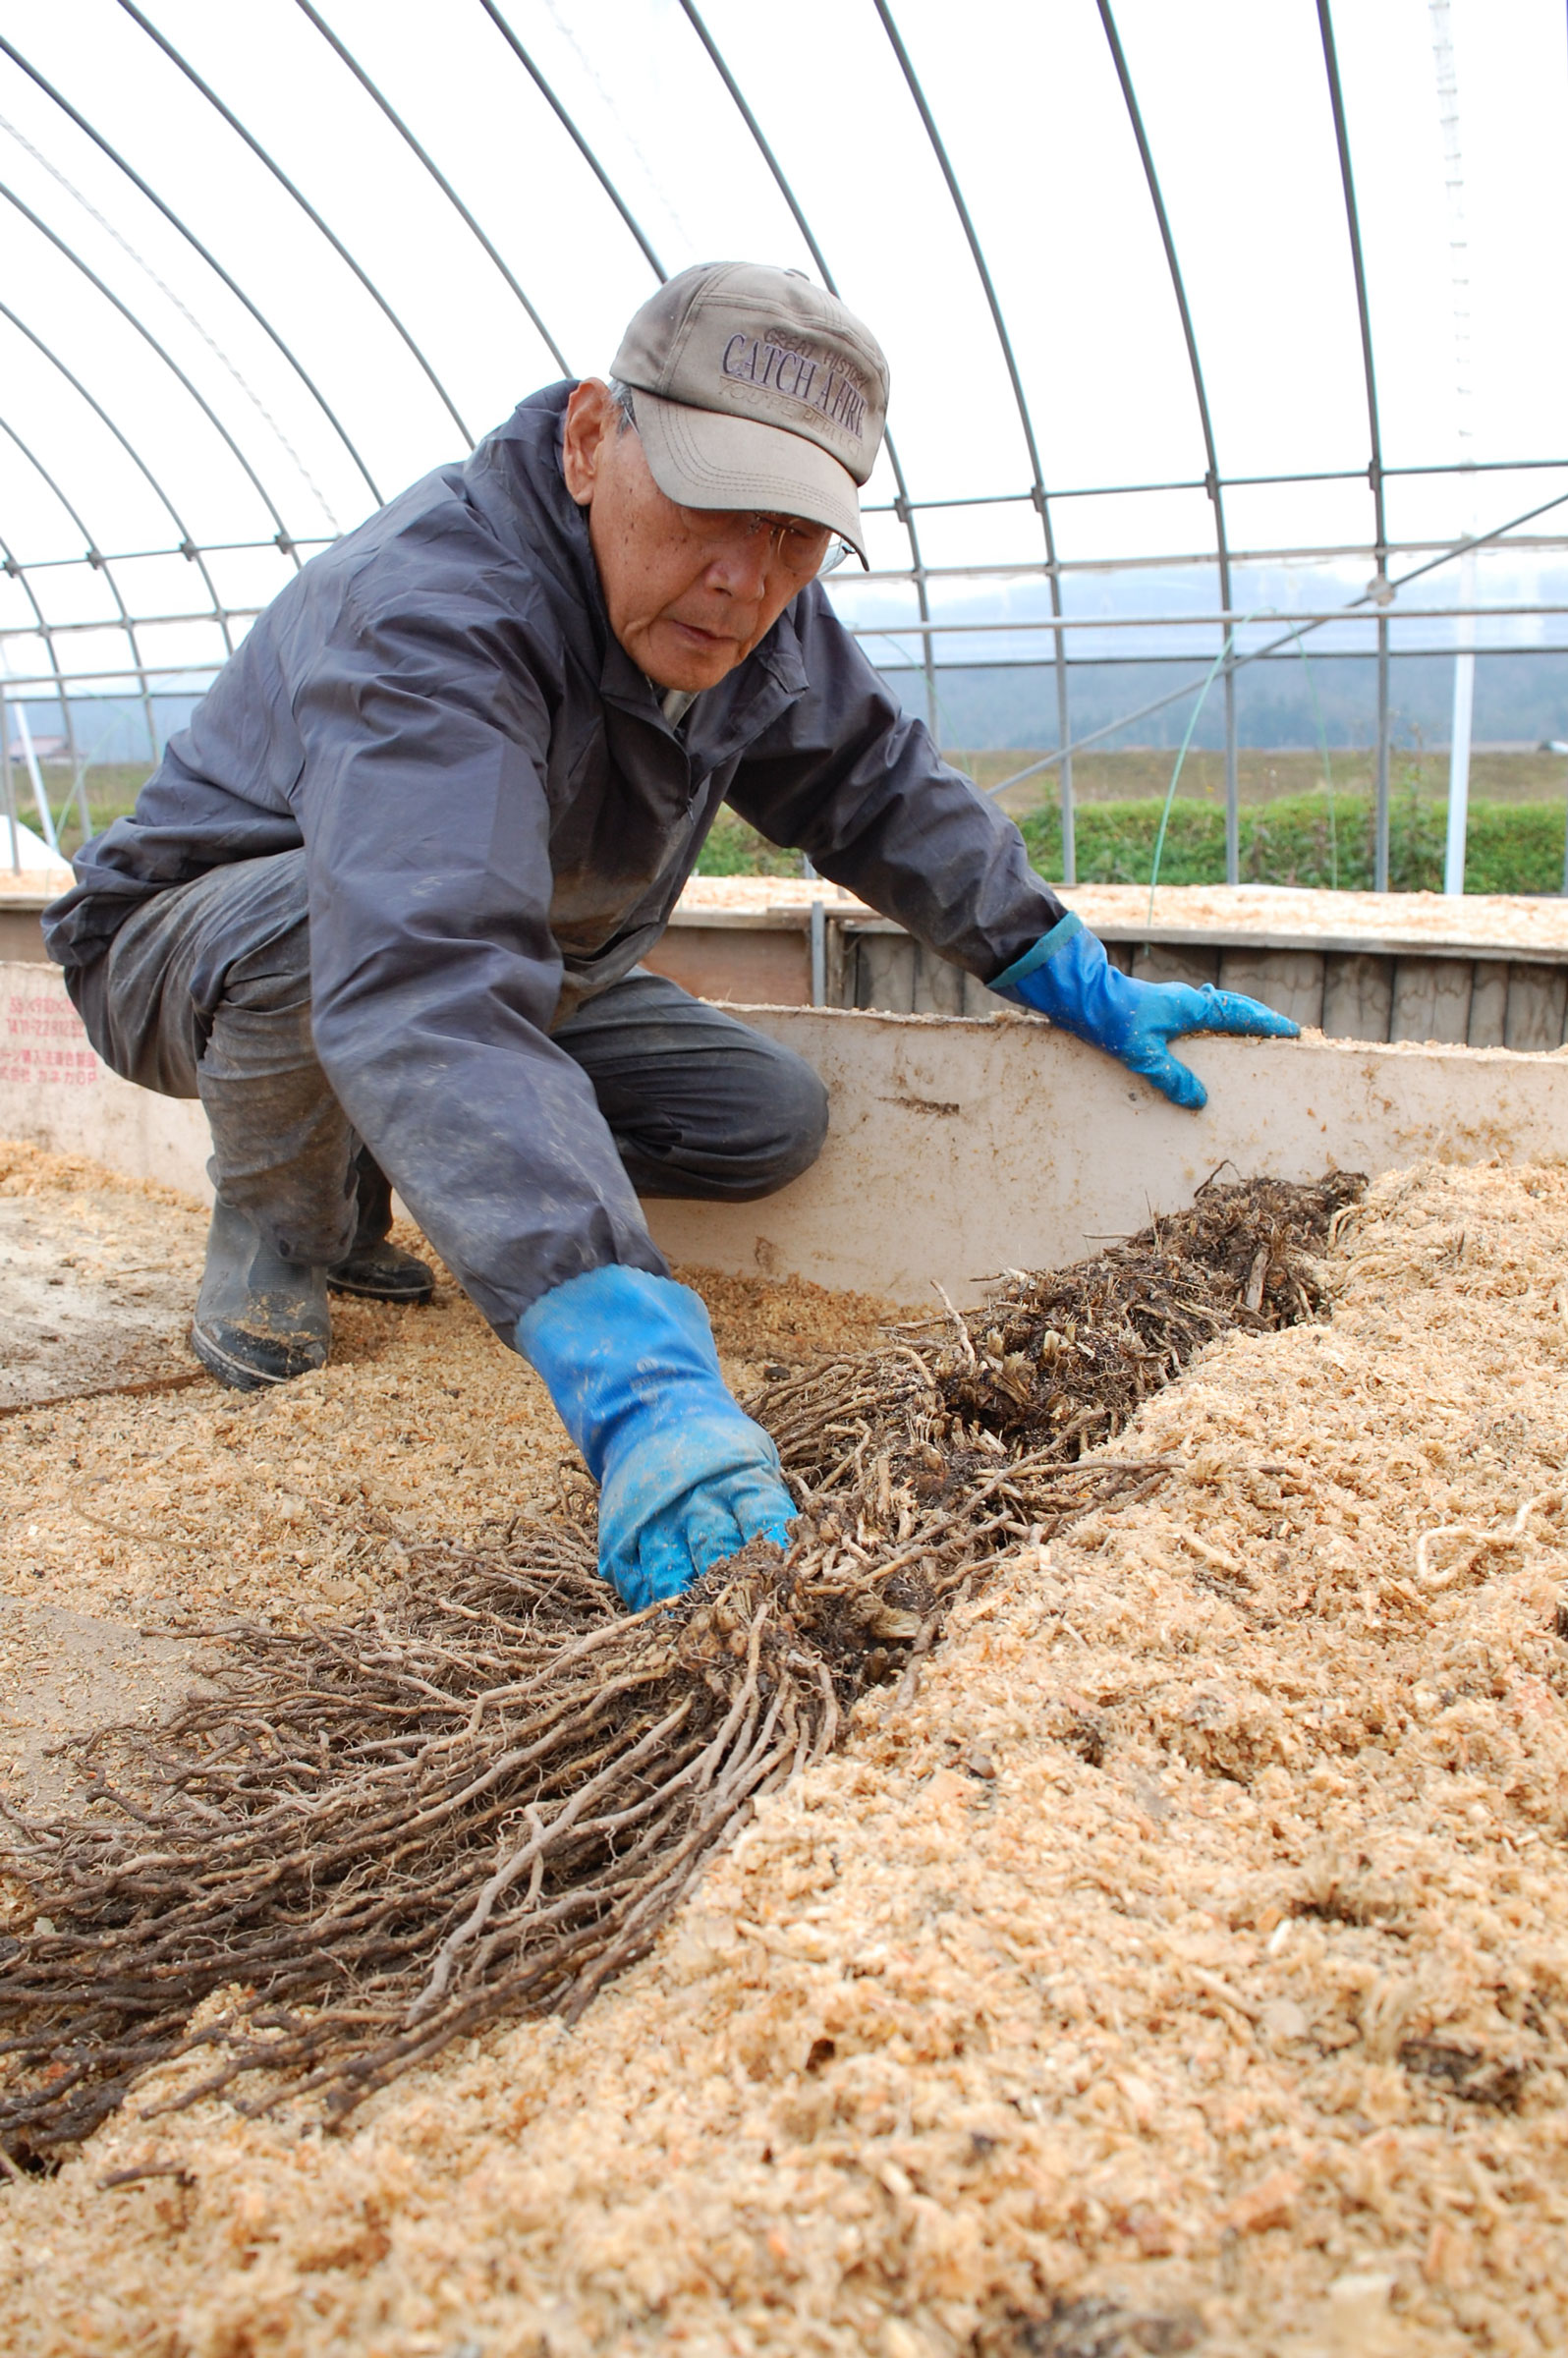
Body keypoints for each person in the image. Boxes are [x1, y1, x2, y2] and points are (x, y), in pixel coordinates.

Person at [44, 261, 1297, 1610]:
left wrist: (1066, 967)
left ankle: (386, 1155)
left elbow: (872, 786)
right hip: (200, 948)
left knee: (764, 1121)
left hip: (516, 965)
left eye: (795, 535)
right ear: (593, 440)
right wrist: (640, 1385)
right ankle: (282, 1224)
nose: (743, 579)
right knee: (330, 928)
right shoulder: (433, 612)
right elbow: (426, 969)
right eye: (710, 507)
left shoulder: (750, 610)